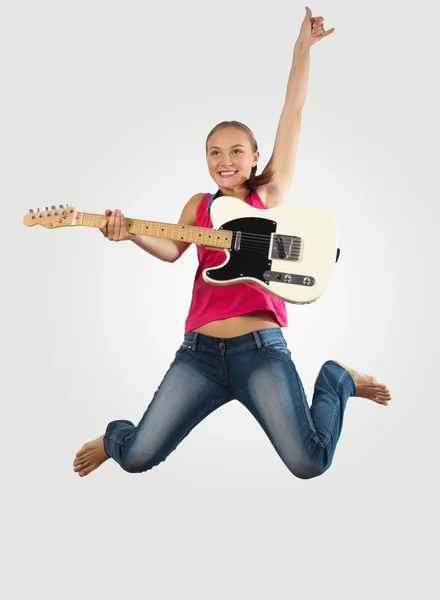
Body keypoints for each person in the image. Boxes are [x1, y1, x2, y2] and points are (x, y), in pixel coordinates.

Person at [73, 8, 391, 479]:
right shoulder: (199, 206)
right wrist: (129, 232)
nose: (226, 160)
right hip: (199, 353)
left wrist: (302, 48)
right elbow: (171, 249)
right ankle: (114, 438)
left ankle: (337, 377)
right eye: (215, 152)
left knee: (310, 461)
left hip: (261, 350)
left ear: (255, 156)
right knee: (138, 456)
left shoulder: (270, 195)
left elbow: (294, 111)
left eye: (236, 150)